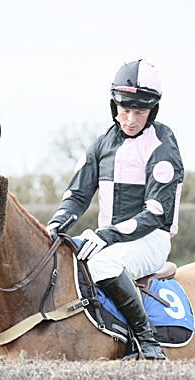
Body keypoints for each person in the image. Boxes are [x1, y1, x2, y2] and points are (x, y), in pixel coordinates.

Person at [46, 59, 184, 359]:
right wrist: (54, 226)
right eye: (125, 109)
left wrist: (106, 235)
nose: (131, 119)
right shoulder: (101, 145)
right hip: (108, 239)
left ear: (153, 111)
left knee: (102, 266)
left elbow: (156, 213)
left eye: (140, 112)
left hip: (150, 239)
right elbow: (77, 195)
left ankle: (147, 341)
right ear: (114, 105)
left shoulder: (163, 145)